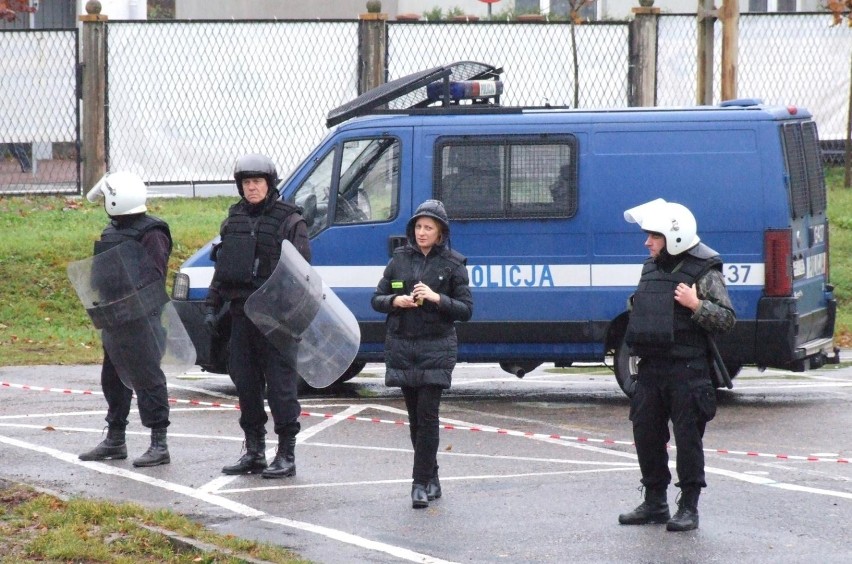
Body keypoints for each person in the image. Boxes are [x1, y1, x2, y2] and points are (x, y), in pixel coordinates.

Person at [618, 198, 736, 532]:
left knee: (687, 439)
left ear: (674, 237)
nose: (647, 242)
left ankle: (688, 507)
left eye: (653, 236)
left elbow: (727, 319)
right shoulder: (651, 267)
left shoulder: (704, 271)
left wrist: (696, 304)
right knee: (646, 433)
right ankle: (655, 502)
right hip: (652, 368)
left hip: (688, 370)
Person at [206, 153, 311, 479]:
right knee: (246, 385)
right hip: (241, 317)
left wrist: (289, 317)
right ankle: (253, 451)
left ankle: (286, 454)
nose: (252, 188)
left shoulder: (290, 221)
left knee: (281, 388)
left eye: (257, 182)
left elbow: (302, 275)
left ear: (269, 184)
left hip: (276, 322)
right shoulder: (233, 219)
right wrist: (211, 306)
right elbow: (223, 270)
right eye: (247, 183)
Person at [371, 199, 473, 509]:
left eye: (429, 228)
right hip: (403, 345)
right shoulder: (399, 260)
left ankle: (418, 483)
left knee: (428, 415)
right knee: (415, 418)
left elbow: (466, 310)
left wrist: (436, 298)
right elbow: (376, 299)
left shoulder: (454, 264)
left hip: (436, 347)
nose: (422, 232)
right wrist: (394, 301)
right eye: (418, 227)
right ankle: (432, 476)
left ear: (441, 233)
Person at [79, 171, 173, 467]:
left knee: (148, 379)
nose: (105, 203)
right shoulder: (112, 231)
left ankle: (159, 443)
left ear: (119, 200)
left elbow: (152, 278)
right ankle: (115, 439)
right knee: (113, 378)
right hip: (115, 318)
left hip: (142, 320)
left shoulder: (152, 232)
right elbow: (102, 275)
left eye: (107, 198)